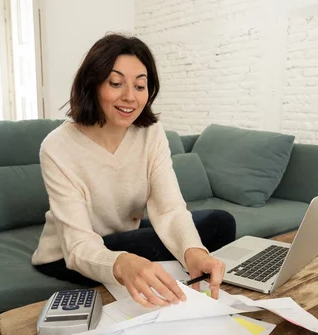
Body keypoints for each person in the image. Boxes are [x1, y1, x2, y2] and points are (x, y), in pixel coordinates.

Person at [32, 34, 236, 308]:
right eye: (116, 83)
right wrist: (122, 262)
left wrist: (193, 252)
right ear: (92, 83)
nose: (129, 96)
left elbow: (170, 209)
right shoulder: (57, 147)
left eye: (140, 86)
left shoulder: (150, 133)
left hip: (123, 235)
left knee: (220, 222)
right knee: (152, 248)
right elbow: (78, 245)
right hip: (70, 253)